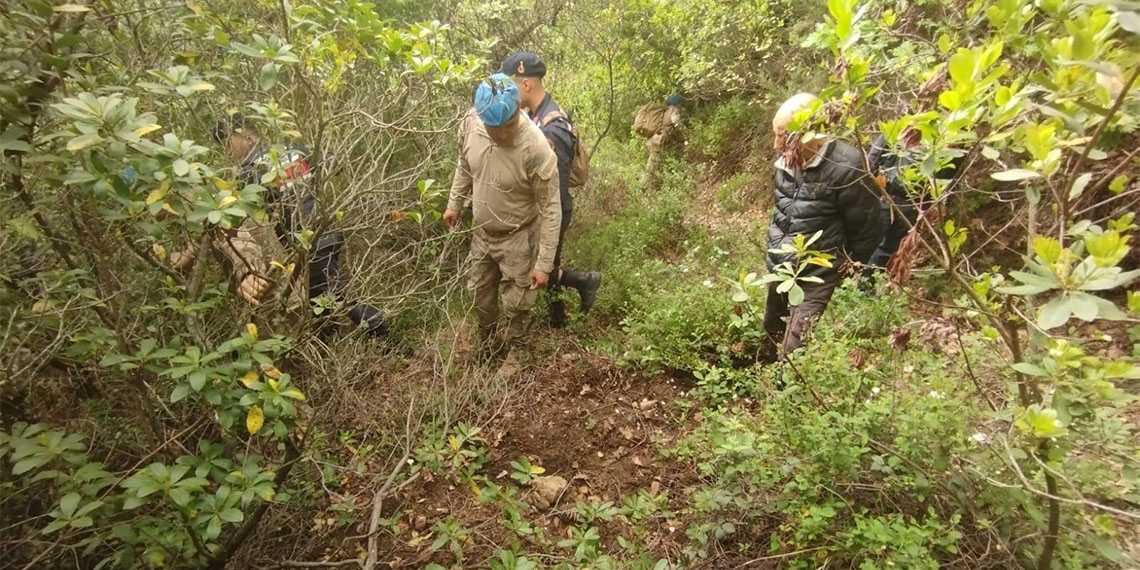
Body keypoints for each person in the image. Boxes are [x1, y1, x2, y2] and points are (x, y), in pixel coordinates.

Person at [171, 113, 388, 337]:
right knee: (320, 297)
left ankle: (388, 337)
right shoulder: (292, 148)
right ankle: (331, 341)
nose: (227, 152)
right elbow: (333, 161)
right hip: (327, 230)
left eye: (227, 144)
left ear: (244, 136)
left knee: (334, 291)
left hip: (305, 237)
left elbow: (232, 217)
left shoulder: (250, 171)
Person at [443, 74, 562, 367]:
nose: (505, 134)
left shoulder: (536, 148)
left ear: (518, 110)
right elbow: (464, 163)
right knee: (479, 295)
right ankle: (487, 342)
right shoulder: (471, 122)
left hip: (519, 235)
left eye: (510, 124)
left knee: (518, 303)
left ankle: (517, 352)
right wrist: (454, 203)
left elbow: (551, 208)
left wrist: (544, 263)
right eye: (497, 128)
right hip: (482, 233)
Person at [761, 93, 882, 361]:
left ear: (810, 133)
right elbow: (782, 212)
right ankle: (762, 373)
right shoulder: (785, 163)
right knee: (772, 328)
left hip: (818, 272)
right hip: (782, 265)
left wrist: (845, 265)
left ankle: (785, 396)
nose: (776, 144)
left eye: (783, 136)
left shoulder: (847, 167)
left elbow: (868, 226)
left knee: (795, 345)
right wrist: (776, 252)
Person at [499, 51, 601, 328]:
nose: (506, 93)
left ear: (526, 84)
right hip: (546, 208)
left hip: (551, 210)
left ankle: (584, 281)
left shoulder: (551, 128)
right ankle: (557, 317)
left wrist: (543, 222)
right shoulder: (538, 114)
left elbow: (554, 188)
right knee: (548, 262)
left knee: (542, 266)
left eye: (509, 85)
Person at [634, 94, 682, 190]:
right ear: (677, 103)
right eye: (680, 103)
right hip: (658, 140)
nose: (681, 105)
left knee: (656, 162)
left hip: (653, 139)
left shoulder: (665, 111)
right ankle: (643, 185)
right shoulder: (673, 111)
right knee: (652, 164)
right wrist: (685, 136)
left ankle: (653, 184)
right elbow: (677, 125)